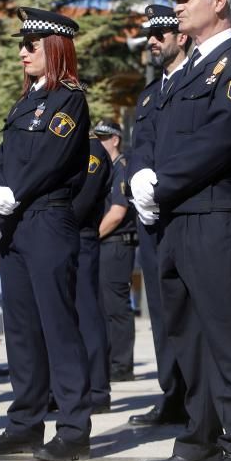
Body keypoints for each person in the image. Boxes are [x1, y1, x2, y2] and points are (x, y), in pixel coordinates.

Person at [132, 0, 231, 461]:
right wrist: (142, 178)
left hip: (215, 214)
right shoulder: (184, 73)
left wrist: (161, 181)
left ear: (219, 1)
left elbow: (219, 141)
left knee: (225, 334)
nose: (178, 3)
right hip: (174, 216)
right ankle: (199, 437)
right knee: (186, 335)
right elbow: (153, 133)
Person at [0, 7, 93, 461]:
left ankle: (73, 428)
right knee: (21, 331)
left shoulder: (69, 99)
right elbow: (2, 157)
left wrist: (15, 192)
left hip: (46, 218)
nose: (22, 51)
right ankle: (24, 424)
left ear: (56, 48)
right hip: (15, 223)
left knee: (57, 328)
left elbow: (51, 159)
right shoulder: (24, 102)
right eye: (21, 44)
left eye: (32, 44)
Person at [127, 4, 188, 428]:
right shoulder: (148, 95)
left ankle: (205, 398)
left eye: (161, 33)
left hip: (185, 211)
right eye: (150, 33)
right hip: (150, 218)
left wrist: (162, 183)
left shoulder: (195, 82)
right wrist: (138, 181)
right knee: (163, 313)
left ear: (180, 36)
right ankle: (174, 394)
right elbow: (138, 149)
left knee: (194, 311)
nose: (152, 40)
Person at [70, 127, 113, 414]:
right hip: (59, 237)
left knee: (86, 315)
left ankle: (97, 390)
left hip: (78, 236)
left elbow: (82, 200)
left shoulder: (92, 149)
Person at [94, 119, 136, 383]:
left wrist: (90, 236)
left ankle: (121, 364)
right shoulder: (103, 169)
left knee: (115, 306)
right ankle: (109, 360)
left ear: (115, 139)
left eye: (101, 138)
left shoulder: (121, 168)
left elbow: (117, 213)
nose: (96, 143)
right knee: (101, 306)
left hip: (116, 242)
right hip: (104, 243)